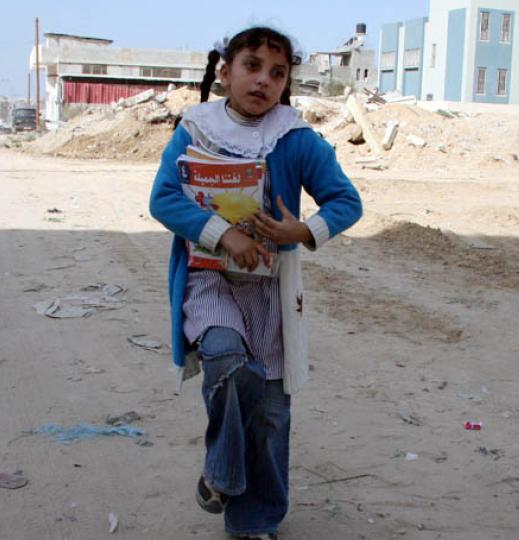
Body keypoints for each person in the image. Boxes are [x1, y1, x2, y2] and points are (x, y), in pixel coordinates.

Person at [149, 27, 362, 539]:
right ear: (225, 72)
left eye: (278, 72)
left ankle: (253, 521)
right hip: (208, 279)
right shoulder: (195, 132)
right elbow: (163, 199)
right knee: (226, 361)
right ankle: (222, 471)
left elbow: (346, 202)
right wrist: (223, 235)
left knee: (269, 412)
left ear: (286, 82)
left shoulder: (296, 139)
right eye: (252, 66)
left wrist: (302, 230)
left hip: (270, 289)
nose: (264, 80)